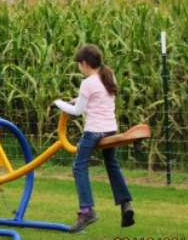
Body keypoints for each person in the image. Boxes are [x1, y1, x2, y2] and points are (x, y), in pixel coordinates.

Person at [53, 44, 134, 233]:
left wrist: (59, 103)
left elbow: (77, 110)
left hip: (93, 132)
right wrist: (77, 99)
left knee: (79, 166)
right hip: (110, 130)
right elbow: (97, 100)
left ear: (85, 63)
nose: (79, 69)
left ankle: (87, 210)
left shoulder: (88, 82)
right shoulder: (109, 76)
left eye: (79, 65)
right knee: (112, 165)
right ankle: (126, 204)